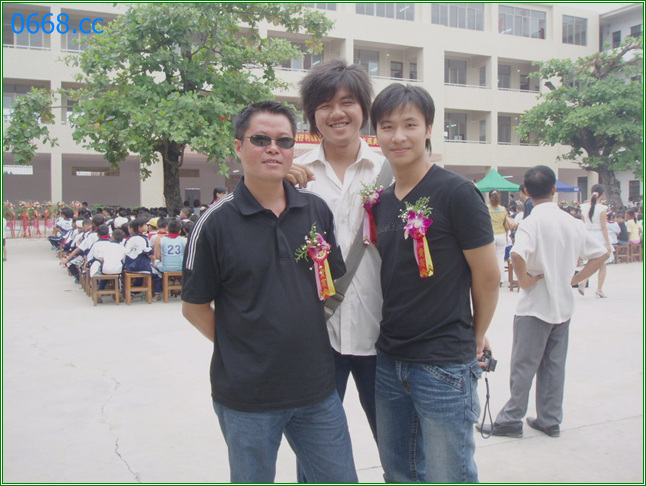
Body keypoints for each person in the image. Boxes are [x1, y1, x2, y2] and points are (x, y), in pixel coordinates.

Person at [181, 101, 357, 484]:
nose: (273, 148)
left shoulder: (316, 211)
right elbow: (194, 307)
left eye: (284, 141)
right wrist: (242, 346)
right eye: (260, 139)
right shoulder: (214, 224)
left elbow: (330, 284)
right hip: (247, 397)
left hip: (317, 390)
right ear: (238, 147)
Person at [370, 83, 500, 483]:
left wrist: (476, 335)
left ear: (428, 129)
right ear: (376, 134)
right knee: (399, 472)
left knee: (449, 475)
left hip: (443, 364)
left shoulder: (457, 192)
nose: (398, 136)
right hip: (389, 360)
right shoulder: (381, 201)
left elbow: (488, 276)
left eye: (410, 124)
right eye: (387, 126)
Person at [290, 59, 384, 445]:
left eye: (347, 102)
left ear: (364, 108)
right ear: (312, 115)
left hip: (381, 334)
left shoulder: (388, 172)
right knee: (316, 454)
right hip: (317, 338)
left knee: (399, 450)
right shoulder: (292, 176)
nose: (337, 113)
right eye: (325, 105)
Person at [477, 166, 608, 439]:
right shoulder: (572, 222)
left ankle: (511, 418)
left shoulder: (531, 222)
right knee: (554, 366)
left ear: (525, 192)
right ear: (554, 190)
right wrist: (575, 279)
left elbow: (517, 254)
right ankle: (550, 419)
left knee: (524, 365)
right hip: (563, 306)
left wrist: (524, 280)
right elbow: (601, 253)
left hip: (535, 306)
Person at [579, 184, 614, 298]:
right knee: (602, 264)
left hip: (588, 236)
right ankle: (599, 289)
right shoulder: (602, 208)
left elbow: (583, 224)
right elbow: (604, 226)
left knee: (589, 262)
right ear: (602, 194)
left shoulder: (583, 207)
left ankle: (583, 282)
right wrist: (608, 243)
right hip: (600, 236)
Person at [488, 189, 511, 285]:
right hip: (502, 235)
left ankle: (492, 278)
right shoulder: (503, 209)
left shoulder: (487, 209)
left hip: (491, 235)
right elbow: (506, 222)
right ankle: (501, 279)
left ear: (489, 197)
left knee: (491, 258)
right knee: (500, 258)